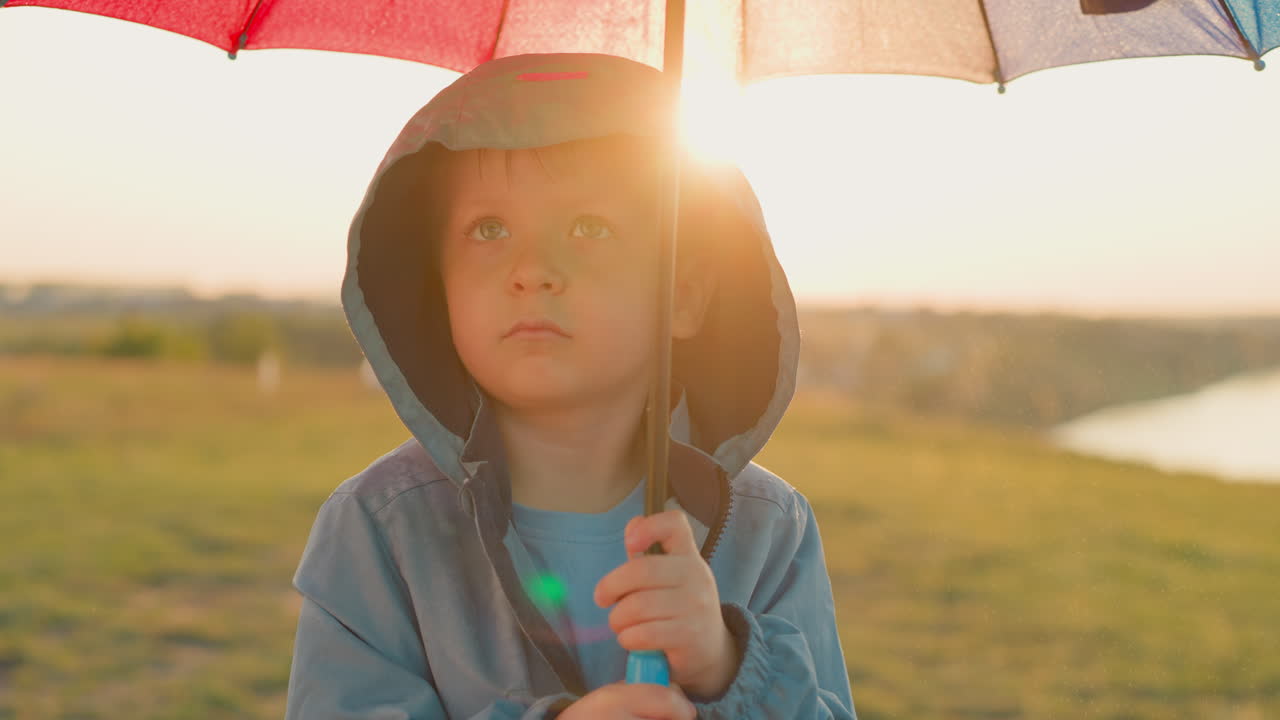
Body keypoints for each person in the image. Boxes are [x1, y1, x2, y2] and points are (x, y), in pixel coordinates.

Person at [284, 52, 856, 720]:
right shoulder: (380, 528)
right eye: (489, 230)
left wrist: (727, 666)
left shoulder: (767, 528)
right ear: (438, 288)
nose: (532, 269)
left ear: (684, 296)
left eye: (590, 227)